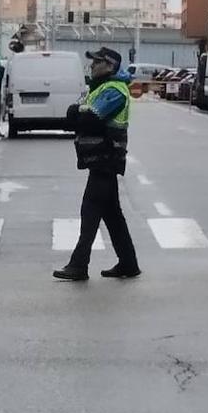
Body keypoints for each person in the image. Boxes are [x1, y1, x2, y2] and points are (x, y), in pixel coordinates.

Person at [54, 47, 140, 281]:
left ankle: (79, 264)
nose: (91, 66)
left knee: (90, 210)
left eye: (97, 62)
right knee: (112, 214)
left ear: (110, 66)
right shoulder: (100, 88)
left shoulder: (114, 90)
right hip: (100, 158)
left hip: (106, 158)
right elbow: (77, 118)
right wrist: (78, 114)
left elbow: (91, 119)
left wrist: (77, 112)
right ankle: (128, 264)